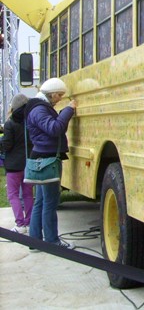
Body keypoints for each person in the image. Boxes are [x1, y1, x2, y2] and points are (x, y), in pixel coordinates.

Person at [25, 78, 78, 249]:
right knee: (50, 202)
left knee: (40, 201)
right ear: (52, 94)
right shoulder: (40, 110)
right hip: (47, 160)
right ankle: (52, 241)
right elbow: (55, 129)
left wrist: (63, 112)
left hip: (41, 158)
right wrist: (68, 110)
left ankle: (35, 241)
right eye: (59, 95)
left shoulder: (38, 108)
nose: (60, 98)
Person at [0, 93, 34, 233]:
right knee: (28, 194)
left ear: (14, 106)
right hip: (28, 163)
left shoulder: (10, 123)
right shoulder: (30, 121)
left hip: (13, 166)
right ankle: (30, 222)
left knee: (13, 195)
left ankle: (20, 224)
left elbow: (7, 145)